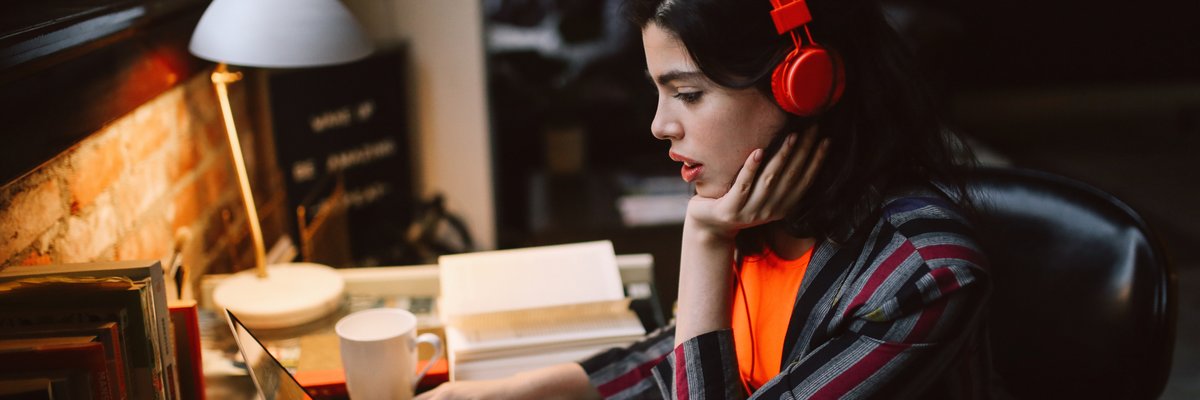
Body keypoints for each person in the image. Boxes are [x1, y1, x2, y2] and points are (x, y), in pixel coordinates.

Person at [417, 0, 989, 398]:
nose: (660, 126)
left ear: (804, 85)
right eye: (660, 93)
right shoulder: (767, 208)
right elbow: (690, 354)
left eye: (688, 94)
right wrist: (507, 392)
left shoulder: (921, 278)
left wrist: (705, 242)